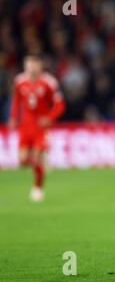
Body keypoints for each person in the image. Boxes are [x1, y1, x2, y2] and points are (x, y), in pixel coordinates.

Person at [8, 54, 66, 202]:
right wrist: (14, 118)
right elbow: (16, 101)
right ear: (25, 66)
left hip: (41, 126)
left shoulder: (49, 82)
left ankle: (37, 189)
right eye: (29, 65)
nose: (31, 68)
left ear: (40, 66)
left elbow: (60, 105)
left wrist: (49, 118)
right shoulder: (19, 81)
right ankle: (43, 160)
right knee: (22, 161)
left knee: (35, 157)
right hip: (25, 126)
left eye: (34, 65)